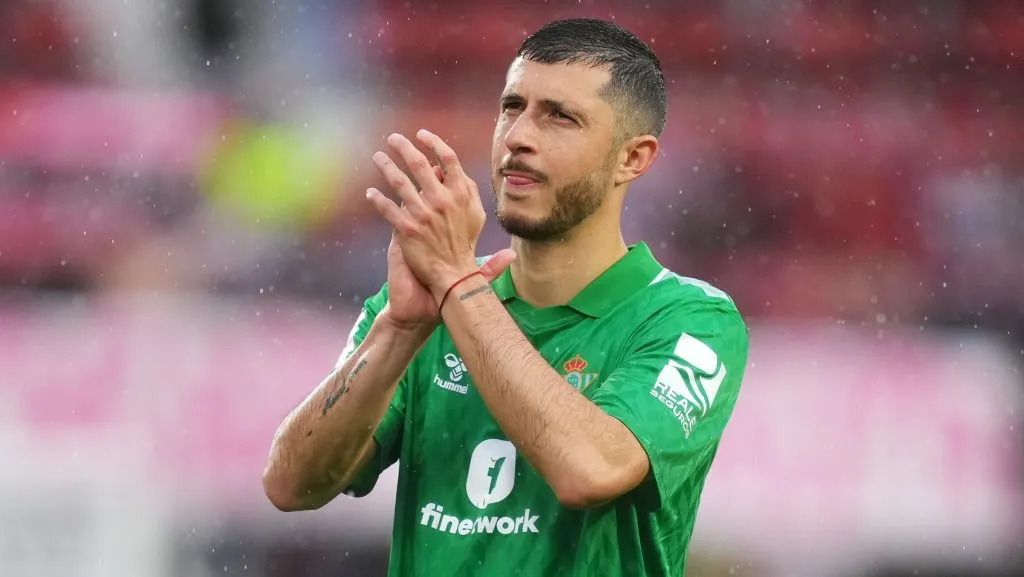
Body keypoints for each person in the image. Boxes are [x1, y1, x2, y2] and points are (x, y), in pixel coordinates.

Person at [263, 18, 749, 576]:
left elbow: (589, 469)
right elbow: (291, 485)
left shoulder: (691, 320)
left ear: (632, 159)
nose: (519, 135)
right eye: (512, 106)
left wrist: (458, 285)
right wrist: (398, 331)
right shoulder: (420, 306)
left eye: (560, 117)